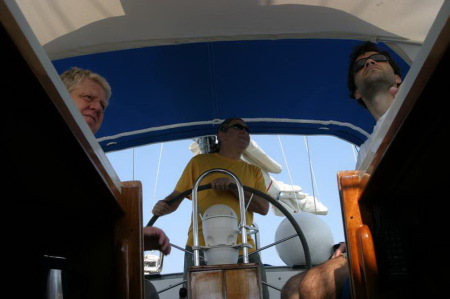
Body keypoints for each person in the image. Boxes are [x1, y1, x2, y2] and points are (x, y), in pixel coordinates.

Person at [281, 41, 402, 299]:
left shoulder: (416, 104)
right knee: (290, 288)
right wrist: (349, 243)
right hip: (376, 240)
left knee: (312, 286)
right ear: (357, 93)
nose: (369, 63)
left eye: (378, 58)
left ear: (398, 79)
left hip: (404, 236)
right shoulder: (365, 152)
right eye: (360, 65)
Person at [61, 67, 170, 299]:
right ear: (61, 94)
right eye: (88, 98)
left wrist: (134, 235)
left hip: (84, 265)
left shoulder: (92, 163)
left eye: (102, 105)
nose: (98, 107)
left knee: (145, 290)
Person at [152, 117, 270, 298]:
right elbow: (177, 196)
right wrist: (163, 206)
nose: (245, 132)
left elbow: (263, 208)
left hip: (244, 247)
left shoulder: (254, 171)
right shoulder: (198, 163)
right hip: (200, 247)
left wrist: (234, 187)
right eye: (238, 127)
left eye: (247, 129)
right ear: (221, 134)